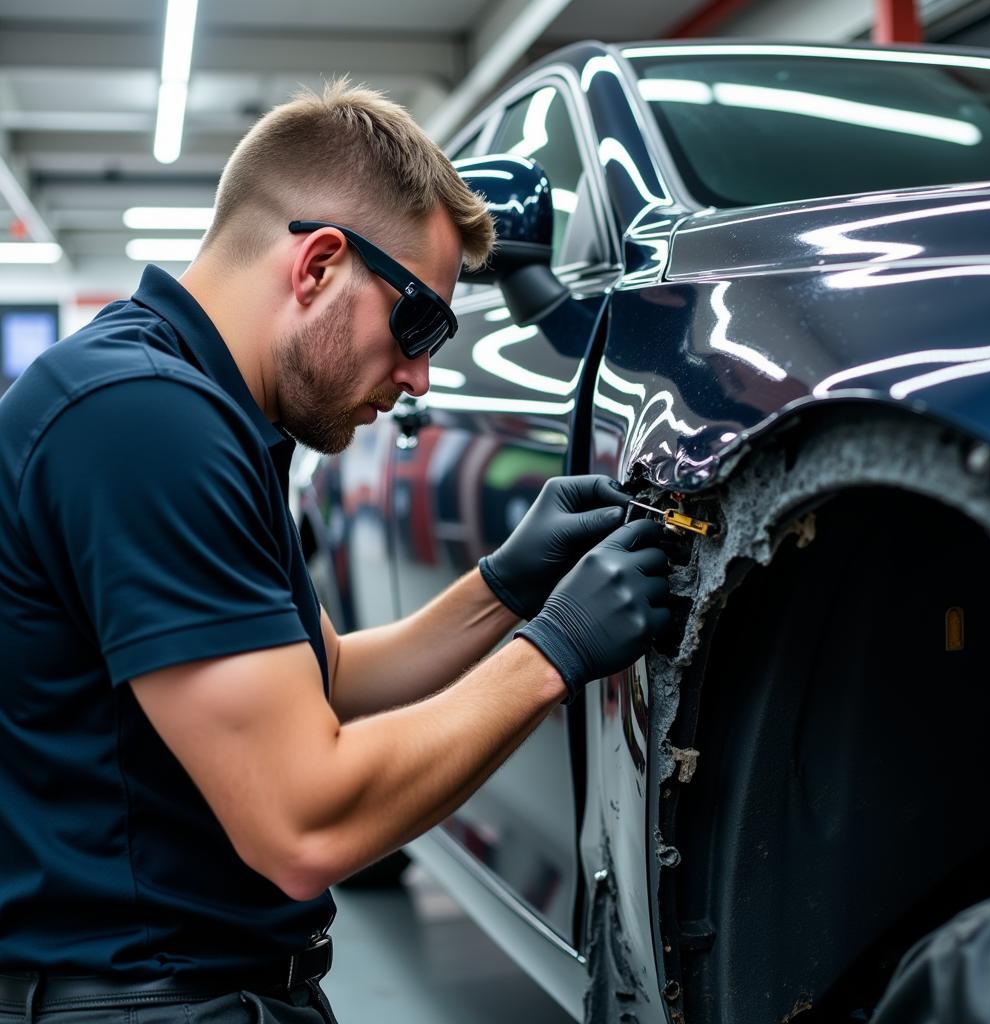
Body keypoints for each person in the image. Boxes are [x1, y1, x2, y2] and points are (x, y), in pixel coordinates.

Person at [0, 80, 671, 1024]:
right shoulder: (143, 422)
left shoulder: (209, 410)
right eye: (419, 323)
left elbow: (332, 678)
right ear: (318, 264)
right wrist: (552, 653)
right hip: (141, 1003)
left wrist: (509, 587)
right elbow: (303, 824)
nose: (420, 375)